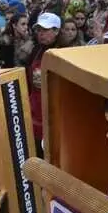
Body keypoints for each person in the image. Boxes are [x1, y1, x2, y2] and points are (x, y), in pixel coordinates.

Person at [26, 12, 61, 155]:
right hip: (35, 107)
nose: (41, 34)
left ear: (56, 31)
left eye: (45, 30)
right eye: (39, 30)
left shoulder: (62, 52)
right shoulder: (36, 50)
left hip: (53, 109)